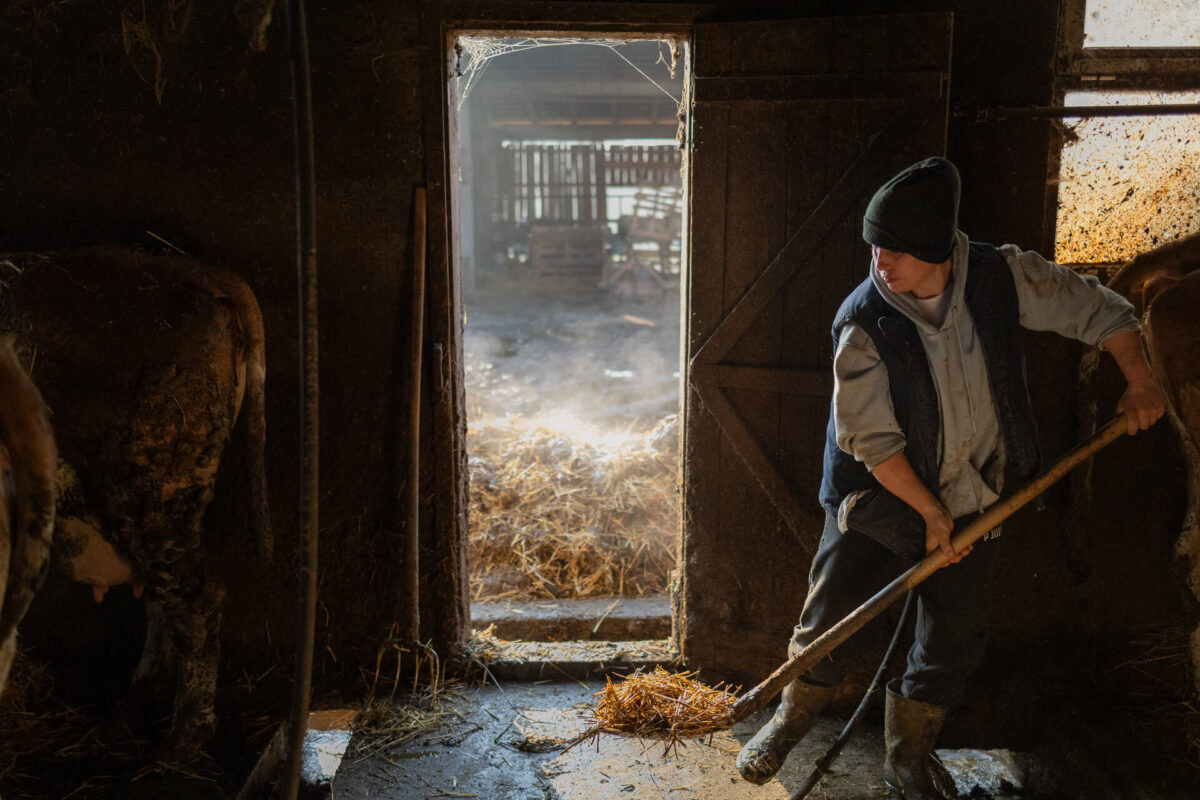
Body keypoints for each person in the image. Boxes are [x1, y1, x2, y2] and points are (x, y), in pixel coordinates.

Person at [734, 157, 1167, 799]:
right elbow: (873, 442)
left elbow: (1101, 310)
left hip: (977, 496)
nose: (881, 263)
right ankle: (787, 725)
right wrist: (930, 515)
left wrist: (1139, 379)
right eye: (875, 246)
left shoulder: (1000, 277)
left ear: (939, 250)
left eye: (897, 251)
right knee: (834, 617)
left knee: (954, 638)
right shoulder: (865, 321)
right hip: (881, 497)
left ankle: (906, 760)